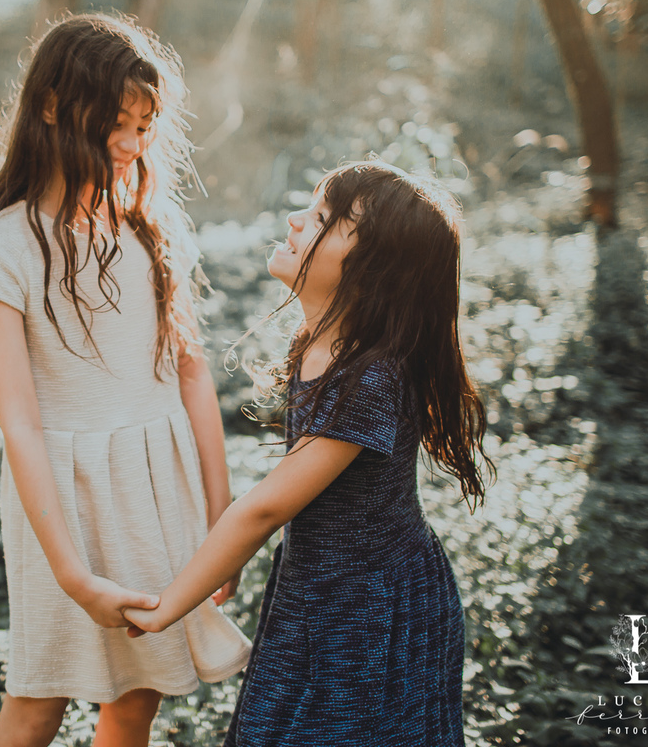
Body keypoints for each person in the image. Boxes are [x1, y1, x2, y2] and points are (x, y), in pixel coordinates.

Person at [0, 13, 251, 747]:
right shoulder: (5, 249)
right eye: (116, 121)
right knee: (38, 703)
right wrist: (74, 576)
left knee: (138, 697)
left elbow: (192, 376)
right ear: (52, 106)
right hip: (64, 503)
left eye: (144, 126)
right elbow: (20, 424)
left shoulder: (151, 227)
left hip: (159, 485)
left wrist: (221, 518)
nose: (132, 142)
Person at [125, 160, 494, 746]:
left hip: (370, 607)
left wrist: (167, 605)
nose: (296, 220)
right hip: (320, 586)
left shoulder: (371, 377)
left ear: (373, 272)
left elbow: (266, 508)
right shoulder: (326, 346)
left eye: (323, 219)